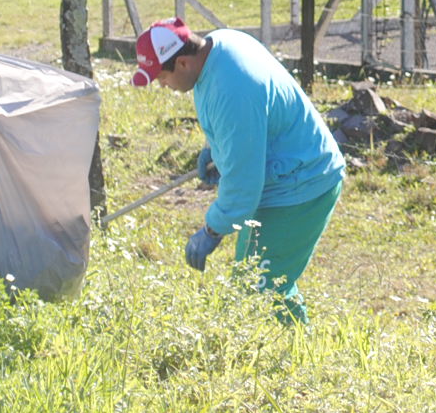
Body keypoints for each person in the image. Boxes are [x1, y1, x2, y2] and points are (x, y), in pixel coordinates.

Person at [132, 18, 344, 324]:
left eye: (161, 78)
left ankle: (295, 361)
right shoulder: (220, 46)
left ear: (181, 63)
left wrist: (211, 230)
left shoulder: (231, 88)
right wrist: (215, 151)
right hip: (283, 175)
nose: (162, 86)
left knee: (257, 292)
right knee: (257, 280)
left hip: (301, 184)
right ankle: (295, 347)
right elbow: (245, 126)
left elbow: (243, 187)